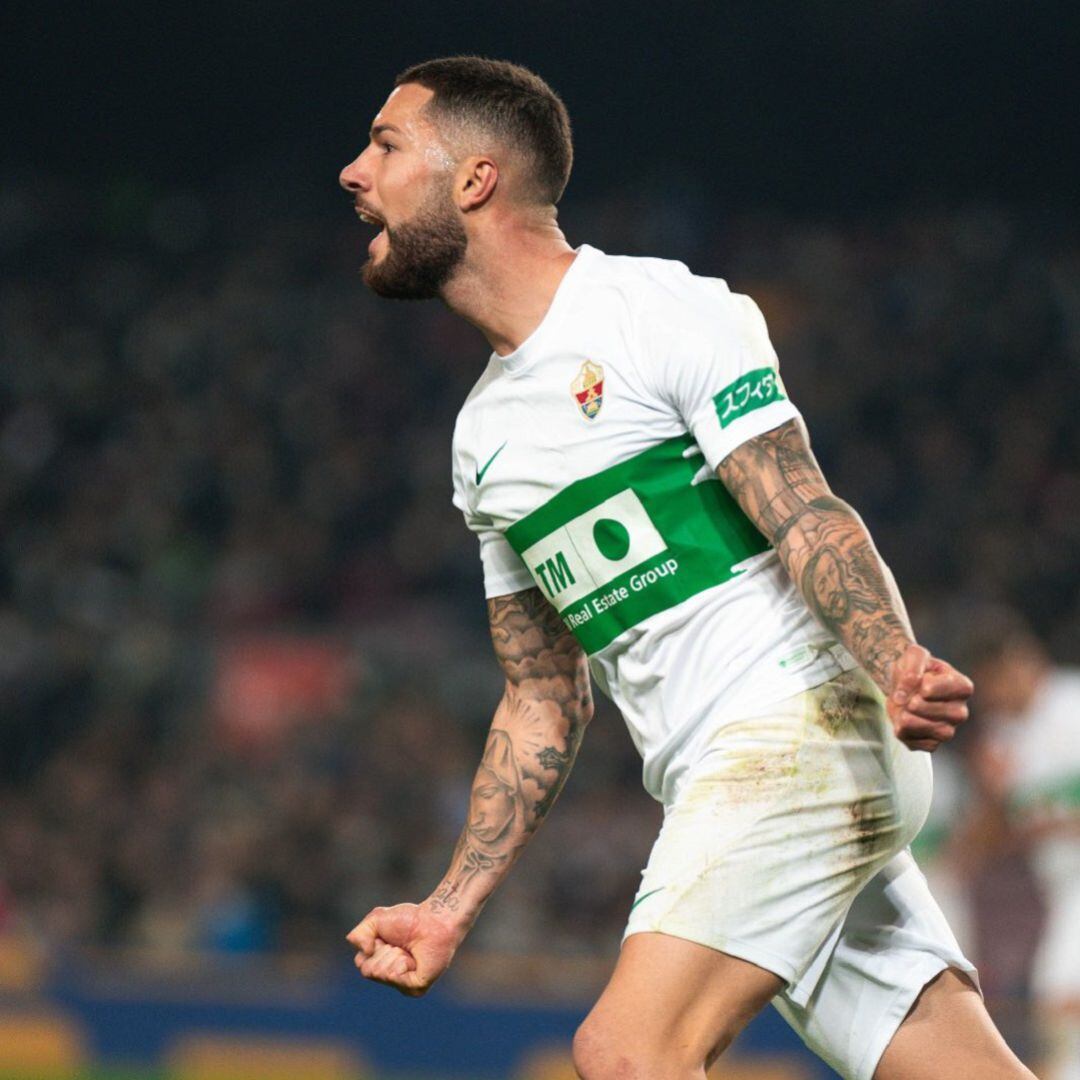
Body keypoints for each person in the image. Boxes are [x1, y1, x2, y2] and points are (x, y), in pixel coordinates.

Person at [338, 56, 1033, 1080]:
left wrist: (891, 658)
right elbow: (540, 694)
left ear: (476, 179)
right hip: (737, 772)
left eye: (387, 145)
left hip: (798, 728)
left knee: (627, 1054)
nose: (355, 172)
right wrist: (448, 910)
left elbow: (801, 507)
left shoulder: (655, 311)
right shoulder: (483, 439)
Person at [961, 609, 1080, 1079]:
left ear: (1019, 662)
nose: (990, 697)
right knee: (1058, 1001)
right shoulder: (1003, 739)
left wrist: (1052, 828)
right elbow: (983, 848)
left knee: (1062, 991)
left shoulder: (1073, 705)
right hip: (1063, 886)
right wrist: (991, 795)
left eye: (992, 681)